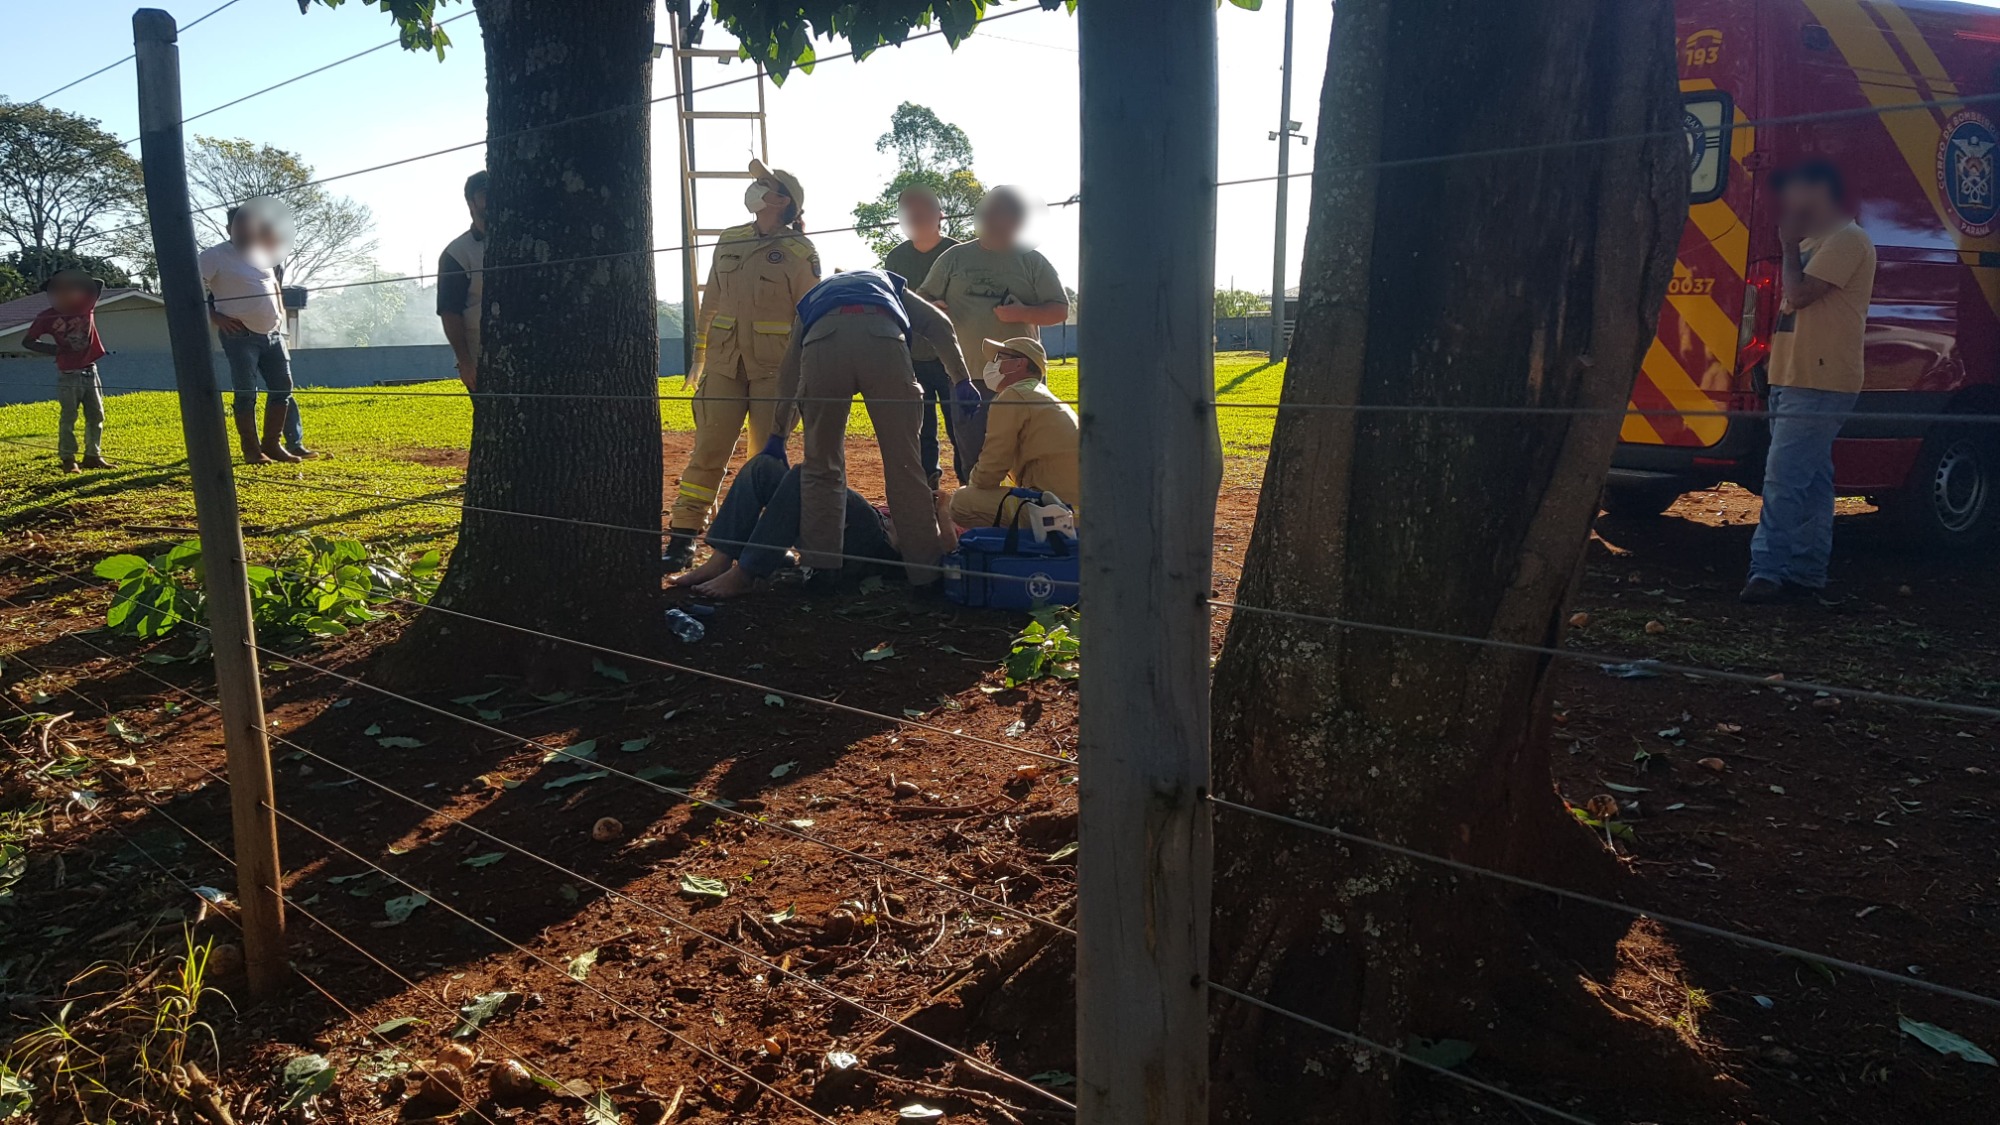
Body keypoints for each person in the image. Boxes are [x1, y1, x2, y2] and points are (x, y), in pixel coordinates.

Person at [764, 267, 974, 594]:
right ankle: (925, 575)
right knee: (906, 466)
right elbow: (939, 324)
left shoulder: (814, 296)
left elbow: (789, 371)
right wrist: (961, 380)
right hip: (884, 339)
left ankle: (822, 572)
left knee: (822, 466)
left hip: (822, 343)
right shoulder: (888, 282)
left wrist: (779, 433)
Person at [662, 159, 821, 570]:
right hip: (724, 364)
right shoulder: (729, 239)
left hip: (775, 370)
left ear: (783, 200)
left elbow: (812, 313)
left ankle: (759, 541)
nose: (755, 189)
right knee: (708, 451)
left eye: (764, 185)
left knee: (765, 460)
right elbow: (710, 302)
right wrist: (699, 358)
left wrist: (805, 372)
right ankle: (683, 537)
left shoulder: (800, 251)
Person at [1741, 160, 1877, 605]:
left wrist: (1785, 247)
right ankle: (1805, 573)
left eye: (1794, 190)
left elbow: (1798, 296)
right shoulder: (1818, 241)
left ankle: (1766, 572)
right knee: (1812, 481)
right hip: (1795, 376)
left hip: (1820, 381)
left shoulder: (1847, 239)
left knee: (1783, 479)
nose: (1787, 201)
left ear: (1820, 191)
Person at [913, 186, 1069, 483]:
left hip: (1022, 382)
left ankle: (1026, 515)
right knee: (973, 454)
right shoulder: (953, 258)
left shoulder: (1032, 261)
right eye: (991, 212)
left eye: (1007, 213)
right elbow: (921, 302)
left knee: (1029, 453)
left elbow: (1059, 310)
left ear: (1019, 220)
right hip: (968, 377)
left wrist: (1022, 313)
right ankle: (976, 517)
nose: (996, 219)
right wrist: (935, 308)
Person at [670, 452, 958, 598]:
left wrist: (942, 509)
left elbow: (949, 549)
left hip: (877, 545)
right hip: (860, 524)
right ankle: (721, 558)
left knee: (808, 474)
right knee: (764, 467)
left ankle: (746, 572)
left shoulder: (965, 512)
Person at [201, 204, 306, 464]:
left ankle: (272, 444)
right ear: (229, 229)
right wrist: (215, 317)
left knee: (283, 387)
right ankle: (251, 449)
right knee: (247, 392)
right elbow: (189, 290)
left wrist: (279, 322)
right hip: (241, 335)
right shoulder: (214, 256)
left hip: (272, 334)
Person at [948, 337, 1080, 529]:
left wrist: (973, 485)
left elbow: (991, 469)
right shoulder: (1038, 393)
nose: (993, 364)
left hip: (1061, 511)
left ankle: (1034, 544)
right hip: (1079, 507)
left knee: (962, 502)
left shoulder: (1013, 395)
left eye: (1000, 357)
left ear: (1020, 363)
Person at [881, 185, 960, 488]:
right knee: (922, 429)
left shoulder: (959, 253)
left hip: (953, 359)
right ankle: (929, 489)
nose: (915, 213)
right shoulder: (896, 258)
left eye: (923, 207)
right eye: (907, 208)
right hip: (912, 357)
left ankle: (972, 491)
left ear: (940, 214)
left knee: (961, 428)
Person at [21, 269, 113, 474]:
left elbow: (98, 282)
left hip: (90, 369)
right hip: (68, 372)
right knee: (69, 416)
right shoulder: (46, 316)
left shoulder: (84, 305)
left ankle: (93, 455)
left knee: (96, 415)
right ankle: (68, 459)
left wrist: (75, 279)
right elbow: (28, 341)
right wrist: (55, 349)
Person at [437, 170, 488, 391]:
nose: (493, 200)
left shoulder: (525, 242)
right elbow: (450, 312)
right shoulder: (457, 253)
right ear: (471, 202)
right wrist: (466, 362)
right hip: (478, 349)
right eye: (486, 194)